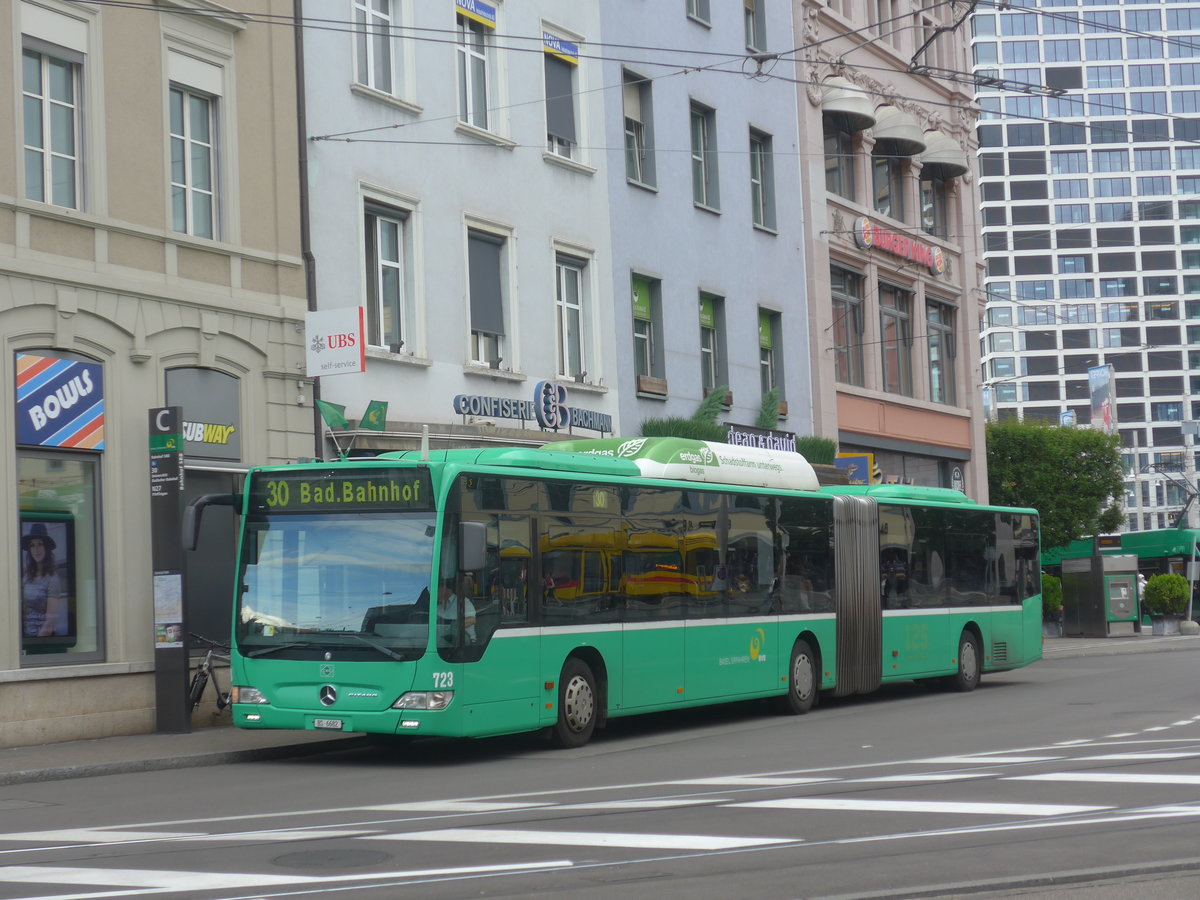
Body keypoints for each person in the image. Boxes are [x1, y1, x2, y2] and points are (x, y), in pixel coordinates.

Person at [22, 523, 68, 638]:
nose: (35, 550)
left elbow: (50, 622)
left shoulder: (52, 577)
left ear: (46, 547)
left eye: (40, 544)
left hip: (40, 639)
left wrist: (35, 642)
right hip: (23, 638)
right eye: (32, 545)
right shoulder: (27, 575)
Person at [436, 578, 476, 644]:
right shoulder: (439, 607)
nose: (433, 594)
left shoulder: (462, 602)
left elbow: (472, 620)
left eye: (436, 590)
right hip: (445, 641)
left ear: (443, 589)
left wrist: (453, 628)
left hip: (465, 642)